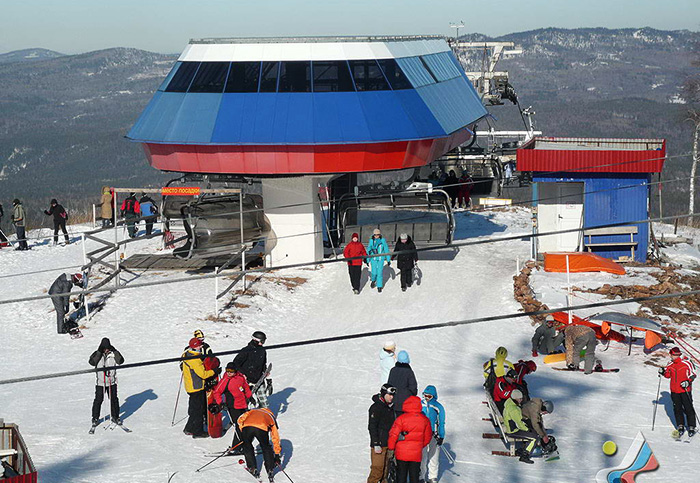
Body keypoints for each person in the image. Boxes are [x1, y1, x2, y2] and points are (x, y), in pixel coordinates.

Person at [387, 396, 432, 483]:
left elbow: (393, 435)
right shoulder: (424, 420)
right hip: (416, 453)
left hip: (401, 452)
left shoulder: (401, 419)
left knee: (401, 475)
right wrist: (419, 445)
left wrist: (391, 448)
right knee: (414, 476)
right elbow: (428, 437)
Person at [181, 338, 216, 438]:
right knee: (198, 410)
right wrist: (214, 371)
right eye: (200, 345)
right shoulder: (195, 360)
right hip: (196, 387)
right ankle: (198, 432)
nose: (201, 347)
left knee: (193, 409)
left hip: (190, 386)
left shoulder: (186, 354)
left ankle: (189, 428)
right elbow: (203, 374)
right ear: (196, 346)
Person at [212, 362, 252, 450]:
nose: (229, 373)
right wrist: (220, 402)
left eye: (231, 371)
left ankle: (244, 443)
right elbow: (217, 392)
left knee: (245, 424)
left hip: (242, 404)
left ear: (235, 371)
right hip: (232, 406)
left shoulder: (240, 377)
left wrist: (250, 396)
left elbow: (245, 387)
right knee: (238, 425)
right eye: (227, 370)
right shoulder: (225, 380)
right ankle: (236, 447)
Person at [237, 408, 282, 482]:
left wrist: (243, 432)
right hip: (261, 427)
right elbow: (275, 437)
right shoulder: (271, 417)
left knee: (247, 446)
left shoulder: (252, 411)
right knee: (266, 447)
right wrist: (277, 454)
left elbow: (240, 420)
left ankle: (252, 468)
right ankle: (270, 469)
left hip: (247, 426)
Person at [660, 347, 697, 437]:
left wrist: (688, 382)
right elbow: (668, 375)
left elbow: (693, 374)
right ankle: (680, 425)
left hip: (685, 390)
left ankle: (691, 426)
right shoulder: (670, 364)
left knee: (688, 408)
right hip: (674, 390)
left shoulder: (686, 363)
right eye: (673, 355)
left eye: (676, 355)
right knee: (677, 408)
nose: (674, 357)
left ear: (679, 354)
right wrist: (663, 372)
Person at [89, 337, 125, 427]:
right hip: (100, 383)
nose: (106, 350)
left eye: (108, 348)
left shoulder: (113, 354)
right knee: (98, 400)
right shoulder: (97, 354)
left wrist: (115, 351)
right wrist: (99, 352)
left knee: (114, 400)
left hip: (111, 382)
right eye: (104, 348)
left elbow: (120, 361)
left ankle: (115, 416)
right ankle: (95, 418)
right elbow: (92, 362)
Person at [232, 331, 271, 407]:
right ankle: (246, 416)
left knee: (264, 402)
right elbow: (235, 363)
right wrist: (242, 374)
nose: (263, 343)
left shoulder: (262, 351)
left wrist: (266, 373)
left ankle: (264, 415)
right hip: (247, 381)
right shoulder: (246, 350)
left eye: (264, 341)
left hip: (259, 380)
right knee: (246, 402)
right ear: (255, 340)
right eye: (262, 341)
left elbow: (263, 364)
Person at [367, 384, 397, 483]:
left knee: (386, 472)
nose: (391, 397)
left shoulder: (390, 408)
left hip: (388, 444)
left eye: (392, 395)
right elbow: (372, 426)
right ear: (384, 394)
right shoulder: (376, 407)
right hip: (379, 444)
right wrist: (376, 443)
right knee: (377, 471)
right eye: (389, 395)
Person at [503, 389, 540, 464]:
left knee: (533, 432)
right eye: (520, 398)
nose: (521, 400)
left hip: (511, 428)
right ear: (515, 398)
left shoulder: (509, 404)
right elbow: (519, 424)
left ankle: (522, 450)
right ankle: (525, 455)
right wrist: (527, 429)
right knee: (534, 437)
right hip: (513, 431)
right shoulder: (513, 409)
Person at [421, 385, 445, 483]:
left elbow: (441, 422)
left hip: (433, 434)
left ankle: (432, 476)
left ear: (433, 396)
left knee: (433, 455)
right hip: (422, 434)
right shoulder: (420, 404)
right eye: (425, 396)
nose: (426, 398)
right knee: (422, 456)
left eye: (429, 396)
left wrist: (441, 435)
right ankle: (421, 476)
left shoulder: (437, 406)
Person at [387, 351, 417, 416]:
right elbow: (413, 388)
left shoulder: (393, 370)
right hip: (406, 403)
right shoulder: (409, 372)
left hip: (393, 402)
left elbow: (389, 385)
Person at [367, 229, 391, 293]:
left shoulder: (383, 241)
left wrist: (388, 259)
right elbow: (368, 250)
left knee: (379, 272)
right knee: (374, 272)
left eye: (377, 235)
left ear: (379, 235)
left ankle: (379, 286)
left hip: (381, 259)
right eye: (375, 235)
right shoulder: (371, 241)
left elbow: (386, 250)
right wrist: (367, 260)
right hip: (373, 259)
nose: (376, 236)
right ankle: (373, 280)